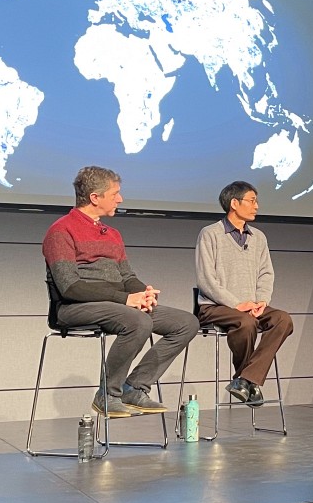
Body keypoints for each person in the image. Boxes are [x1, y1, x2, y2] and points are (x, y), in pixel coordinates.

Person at [42, 166, 198, 417]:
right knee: (136, 320)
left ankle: (134, 387)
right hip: (73, 307)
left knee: (186, 323)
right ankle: (107, 394)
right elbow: (70, 287)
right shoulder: (61, 231)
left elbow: (127, 276)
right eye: (115, 194)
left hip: (118, 305)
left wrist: (142, 293)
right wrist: (126, 299)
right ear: (95, 197)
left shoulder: (112, 234)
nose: (120, 199)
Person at [196, 181, 293, 407]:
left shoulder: (258, 237)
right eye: (252, 201)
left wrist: (261, 301)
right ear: (234, 203)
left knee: (283, 319)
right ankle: (249, 381)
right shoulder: (210, 234)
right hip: (215, 307)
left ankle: (244, 380)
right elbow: (206, 279)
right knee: (246, 323)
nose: (256, 206)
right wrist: (236, 303)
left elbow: (266, 273)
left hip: (252, 306)